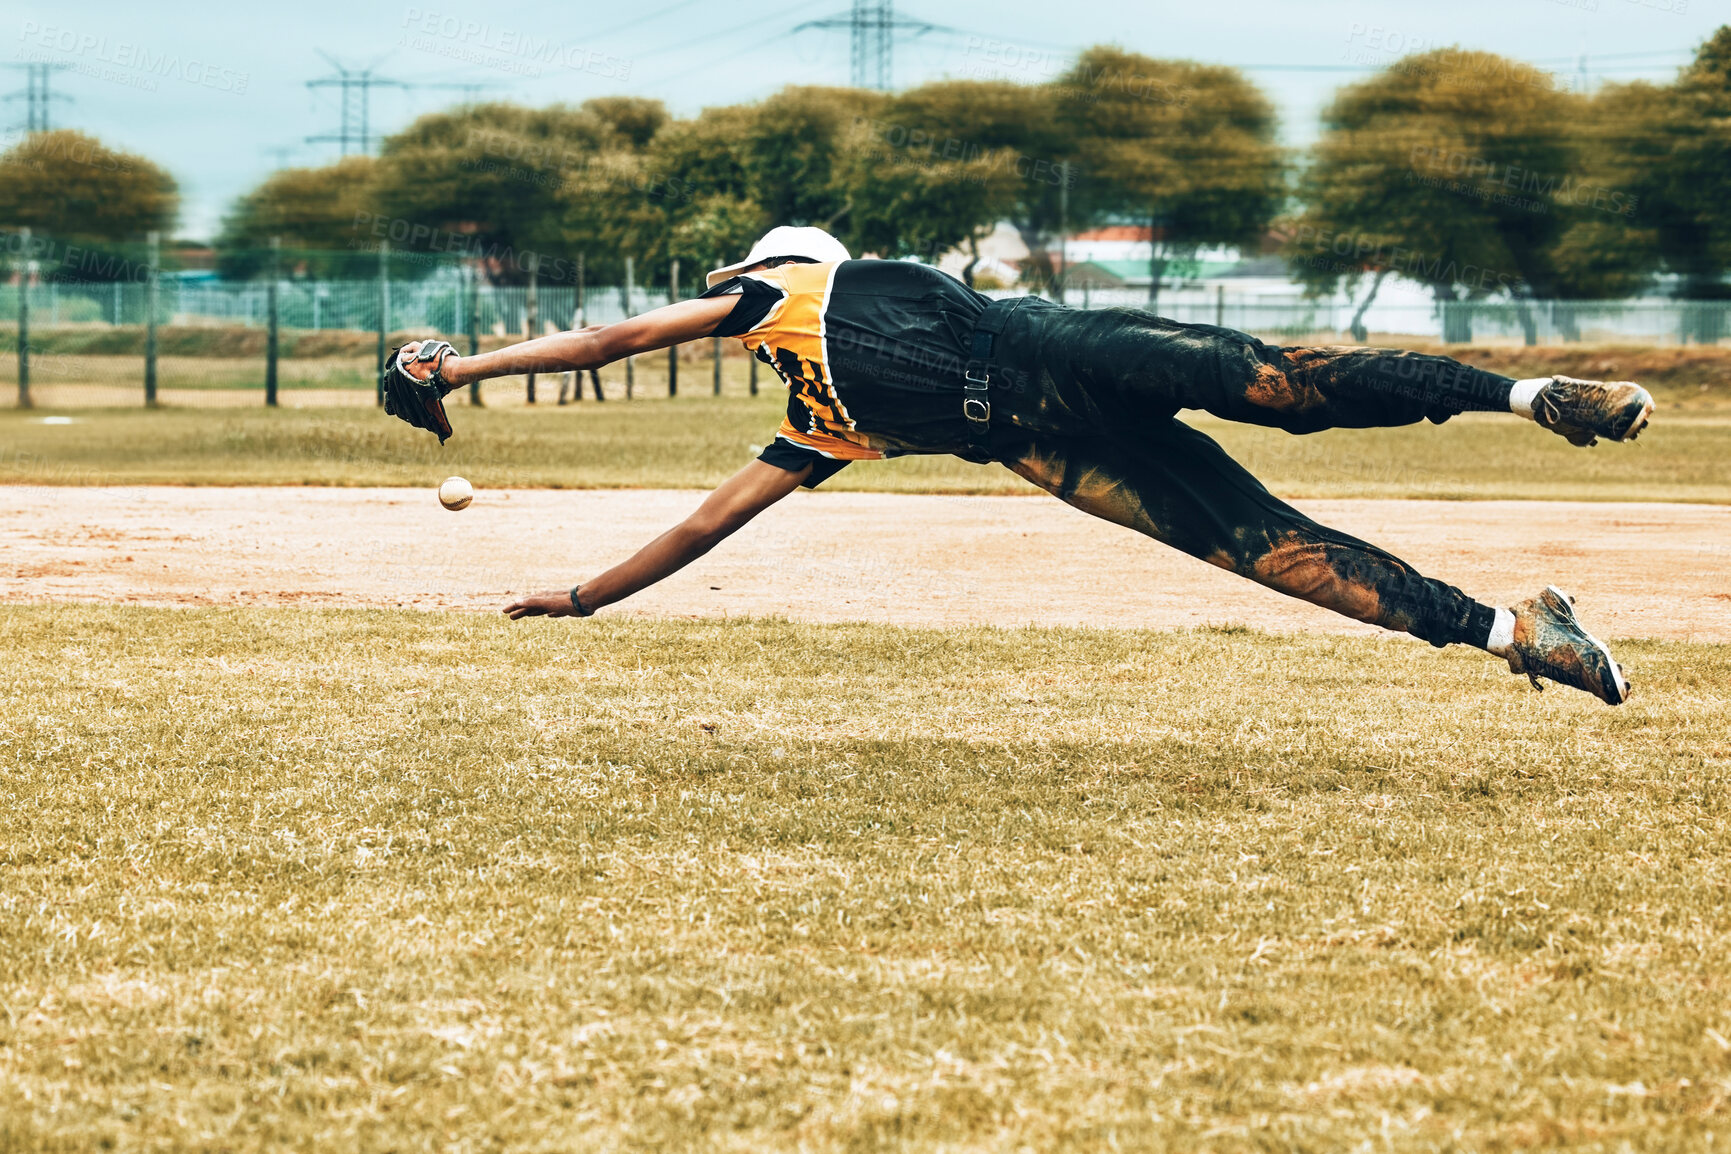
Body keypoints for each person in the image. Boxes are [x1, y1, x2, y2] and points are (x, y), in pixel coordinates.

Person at [393, 226, 1654, 705]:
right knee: (1283, 557)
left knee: (1281, 383)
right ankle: (1513, 632)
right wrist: (585, 596)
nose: (727, 289)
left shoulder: (785, 292)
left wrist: (457, 373)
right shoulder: (823, 427)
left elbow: (611, 337)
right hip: (1045, 445)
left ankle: (1533, 396)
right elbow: (711, 524)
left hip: (1053, 346)